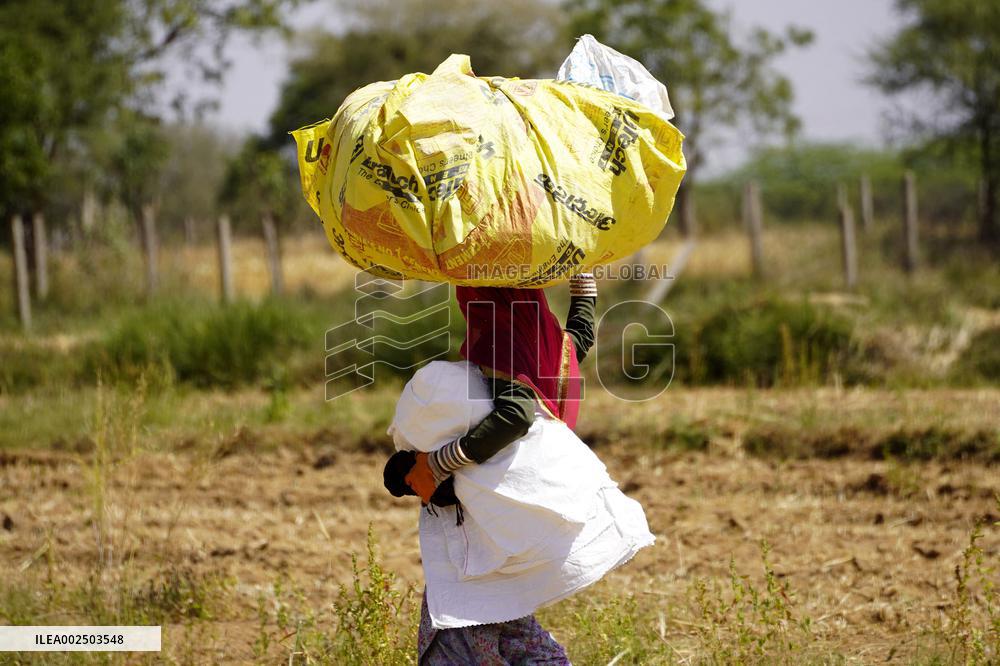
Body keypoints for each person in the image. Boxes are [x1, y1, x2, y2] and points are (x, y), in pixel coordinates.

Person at [384, 273, 653, 664]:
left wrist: (435, 464)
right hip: (527, 525)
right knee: (515, 634)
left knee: (463, 633)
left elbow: (514, 416)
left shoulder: (502, 343)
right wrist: (584, 281)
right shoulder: (544, 350)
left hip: (490, 532)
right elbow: (580, 336)